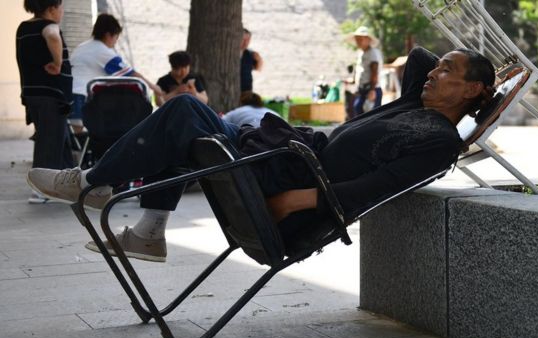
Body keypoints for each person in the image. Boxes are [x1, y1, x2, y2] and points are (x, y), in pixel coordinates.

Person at [27, 47, 496, 263]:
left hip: (284, 188)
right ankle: (144, 228)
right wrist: (484, 91)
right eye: (439, 66)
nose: (433, 72)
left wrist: (296, 200)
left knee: (187, 111)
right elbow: (417, 59)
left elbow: (372, 191)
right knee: (186, 124)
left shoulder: (437, 140)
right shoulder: (414, 102)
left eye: (449, 70)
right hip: (280, 160)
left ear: (472, 88)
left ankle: (92, 183)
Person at [17, 0, 74, 204]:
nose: (62, 12)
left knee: (60, 139)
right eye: (61, 8)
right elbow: (52, 36)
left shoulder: (24, 28)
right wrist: (58, 64)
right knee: (49, 141)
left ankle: (69, 185)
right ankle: (41, 189)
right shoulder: (48, 26)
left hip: (33, 93)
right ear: (51, 9)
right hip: (51, 94)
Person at [69, 13, 162, 128]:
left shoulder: (82, 47)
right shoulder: (104, 52)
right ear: (108, 35)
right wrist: (155, 88)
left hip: (67, 95)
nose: (115, 42)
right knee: (88, 135)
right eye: (116, 37)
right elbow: (132, 75)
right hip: (82, 97)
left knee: (76, 139)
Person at [345, 26, 384, 116]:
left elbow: (375, 72)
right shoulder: (361, 53)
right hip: (362, 89)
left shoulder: (373, 53)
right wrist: (354, 81)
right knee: (358, 110)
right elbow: (361, 71)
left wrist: (372, 90)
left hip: (371, 89)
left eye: (360, 39)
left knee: (370, 117)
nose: (358, 41)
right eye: (357, 39)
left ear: (368, 40)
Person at [240, 28, 263, 96]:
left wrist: (259, 60)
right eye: (243, 40)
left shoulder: (250, 54)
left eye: (248, 40)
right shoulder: (231, 54)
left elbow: (258, 69)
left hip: (247, 89)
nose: (245, 42)